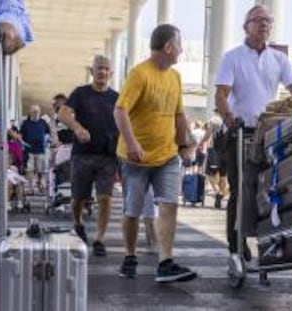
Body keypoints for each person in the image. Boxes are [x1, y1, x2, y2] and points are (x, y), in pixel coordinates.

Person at [214, 5, 292, 258]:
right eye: (257, 20)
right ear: (246, 26)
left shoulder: (278, 59)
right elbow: (221, 94)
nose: (264, 25)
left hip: (268, 133)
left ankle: (266, 239)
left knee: (269, 188)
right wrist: (228, 118)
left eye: (268, 21)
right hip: (240, 132)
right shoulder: (233, 57)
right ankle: (236, 244)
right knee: (240, 190)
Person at [114, 24, 197, 283]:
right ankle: (129, 255)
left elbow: (179, 114)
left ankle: (165, 262)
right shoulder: (140, 74)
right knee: (133, 211)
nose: (181, 50)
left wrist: (184, 145)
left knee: (169, 205)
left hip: (167, 156)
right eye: (179, 45)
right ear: (169, 47)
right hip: (135, 158)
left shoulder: (175, 77)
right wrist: (132, 143)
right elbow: (120, 110)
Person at [59, 55, 119, 257]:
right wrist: (77, 128)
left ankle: (100, 239)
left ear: (110, 73)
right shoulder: (80, 93)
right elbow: (63, 113)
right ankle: (78, 222)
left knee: (105, 198)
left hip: (107, 156)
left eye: (105, 69)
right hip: (82, 155)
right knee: (78, 199)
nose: (102, 72)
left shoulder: (117, 97)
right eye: (98, 68)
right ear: (92, 72)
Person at [20, 104, 50, 194]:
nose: (36, 113)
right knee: (30, 169)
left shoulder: (43, 122)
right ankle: (30, 186)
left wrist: (48, 141)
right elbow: (21, 135)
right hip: (29, 150)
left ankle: (39, 182)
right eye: (34, 111)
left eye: (38, 111)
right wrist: (22, 144)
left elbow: (48, 133)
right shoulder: (25, 123)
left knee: (40, 169)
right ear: (30, 112)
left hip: (41, 150)